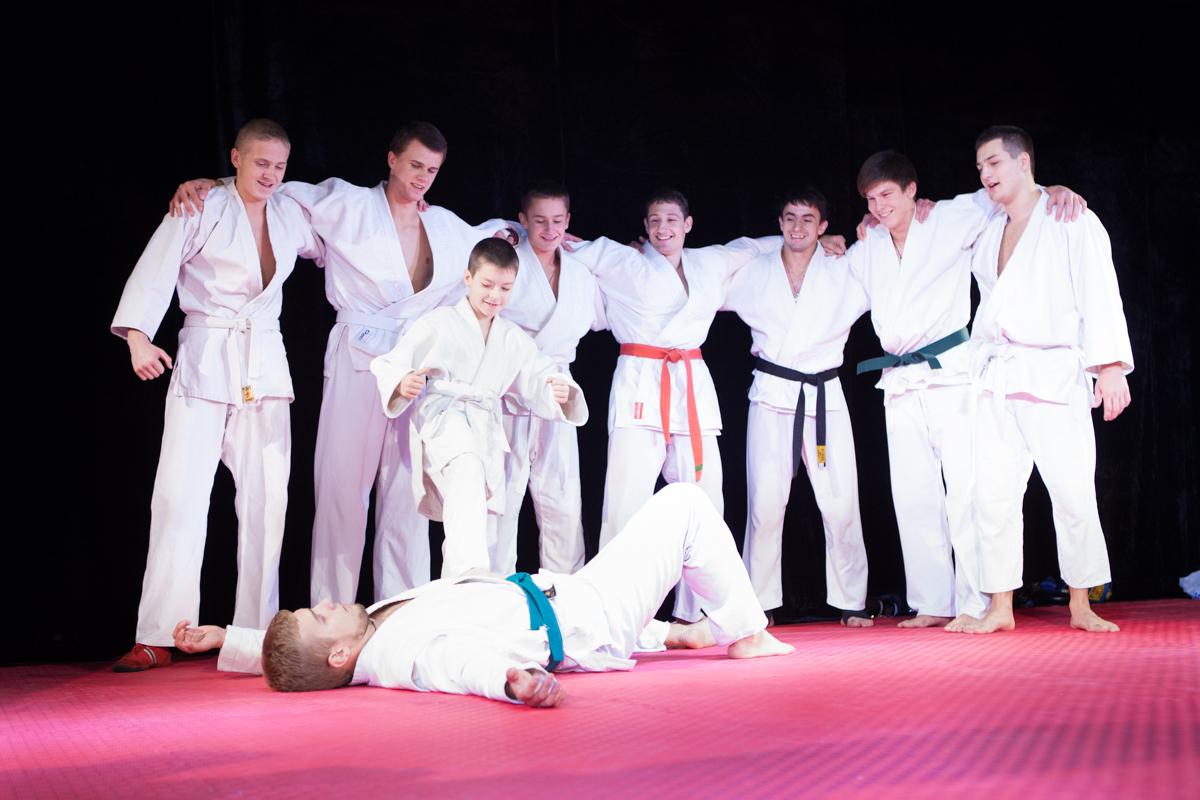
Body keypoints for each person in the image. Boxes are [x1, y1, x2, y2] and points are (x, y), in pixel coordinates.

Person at [169, 123, 518, 607]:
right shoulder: (345, 203)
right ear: (392, 159)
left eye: (432, 170)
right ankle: (329, 614)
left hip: (415, 364)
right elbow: (270, 188)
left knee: (407, 493)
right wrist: (214, 184)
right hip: (359, 352)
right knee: (342, 488)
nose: (422, 178)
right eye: (415, 165)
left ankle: (402, 615)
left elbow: (499, 237)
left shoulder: (444, 225)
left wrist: (539, 235)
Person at [173, 484, 794, 706]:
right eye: (321, 616)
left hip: (568, 595)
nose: (330, 603)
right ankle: (747, 632)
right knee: (684, 503)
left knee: (660, 537)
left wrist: (231, 640)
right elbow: (458, 665)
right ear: (339, 655)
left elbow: (294, 660)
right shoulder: (402, 653)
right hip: (588, 616)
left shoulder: (369, 630)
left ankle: (677, 634)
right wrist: (510, 682)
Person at [110, 119, 323, 671]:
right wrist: (138, 337)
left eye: (280, 166)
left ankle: (255, 636)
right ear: (236, 158)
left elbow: (348, 226)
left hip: (264, 365)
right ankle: (159, 632)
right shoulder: (201, 205)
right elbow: (156, 267)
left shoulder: (291, 213)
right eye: (261, 163)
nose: (271, 175)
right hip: (207, 355)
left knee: (268, 503)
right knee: (179, 495)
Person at [847, 151, 1086, 631]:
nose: (879, 207)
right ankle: (932, 602)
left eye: (887, 194)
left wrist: (1054, 190)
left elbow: (1008, 193)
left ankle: (977, 601)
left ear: (912, 190)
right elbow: (826, 273)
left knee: (967, 491)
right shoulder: (867, 246)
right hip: (899, 381)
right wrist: (831, 239)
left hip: (952, 373)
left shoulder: (949, 217)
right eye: (870, 200)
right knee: (913, 497)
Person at [570, 190, 827, 621]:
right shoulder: (623, 261)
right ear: (645, 226)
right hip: (640, 385)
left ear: (687, 225)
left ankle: (697, 613)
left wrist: (820, 241)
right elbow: (561, 243)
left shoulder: (709, 262)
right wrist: (510, 234)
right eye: (654, 221)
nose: (663, 228)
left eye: (672, 219)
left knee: (706, 501)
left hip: (691, 387)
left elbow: (756, 246)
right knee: (625, 503)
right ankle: (614, 611)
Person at [956, 126, 1132, 634]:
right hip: (997, 376)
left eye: (994, 163)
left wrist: (1110, 367)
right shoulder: (988, 227)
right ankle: (1000, 607)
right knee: (992, 495)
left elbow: (1100, 289)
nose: (985, 174)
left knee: (1073, 492)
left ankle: (1082, 603)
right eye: (980, 167)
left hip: (1053, 372)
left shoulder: (1070, 219)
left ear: (1023, 161)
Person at [369, 239, 589, 580]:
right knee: (468, 469)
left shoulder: (511, 336)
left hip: (485, 425)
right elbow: (392, 362)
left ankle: (482, 586)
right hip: (446, 417)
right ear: (468, 278)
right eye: (487, 284)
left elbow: (540, 373)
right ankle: (466, 576)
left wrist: (559, 388)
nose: (495, 295)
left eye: (505, 287)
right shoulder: (439, 321)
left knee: (484, 510)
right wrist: (402, 381)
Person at [722, 188, 872, 626]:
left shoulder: (844, 269)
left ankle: (852, 601)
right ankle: (759, 605)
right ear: (780, 223)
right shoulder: (756, 270)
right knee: (765, 506)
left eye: (808, 219)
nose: (798, 226)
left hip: (825, 395)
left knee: (841, 504)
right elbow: (700, 277)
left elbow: (893, 258)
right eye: (790, 218)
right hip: (772, 394)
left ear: (823, 226)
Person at [488, 182, 607, 576]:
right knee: (501, 499)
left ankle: (564, 593)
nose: (550, 229)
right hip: (511, 386)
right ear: (522, 221)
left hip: (559, 386)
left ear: (568, 221)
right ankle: (492, 591)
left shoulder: (581, 273)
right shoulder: (506, 263)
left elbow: (601, 317)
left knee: (563, 496)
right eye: (540, 221)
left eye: (557, 220)